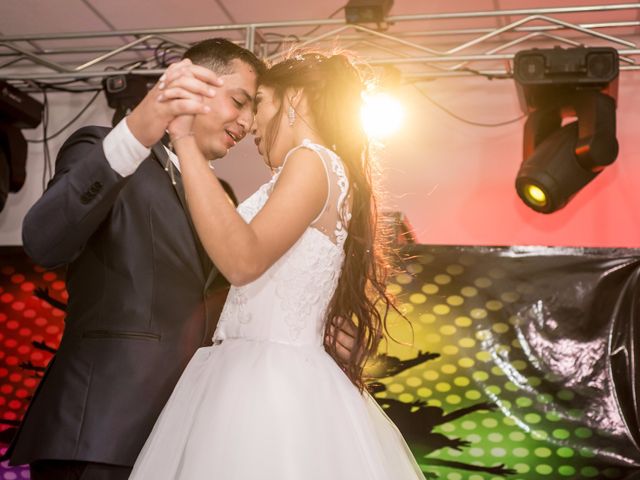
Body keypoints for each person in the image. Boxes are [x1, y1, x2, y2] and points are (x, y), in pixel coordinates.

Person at [129, 52, 426, 479]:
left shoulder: (312, 160)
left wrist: (185, 140)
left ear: (297, 100)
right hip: (259, 371)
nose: (250, 123)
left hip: (266, 384)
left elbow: (243, 259)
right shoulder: (316, 168)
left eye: (261, 101)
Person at [5, 38, 265, 480]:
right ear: (197, 85)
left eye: (254, 111)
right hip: (97, 433)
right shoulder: (106, 148)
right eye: (239, 102)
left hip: (180, 436)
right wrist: (137, 132)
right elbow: (43, 242)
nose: (247, 122)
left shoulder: (220, 196)